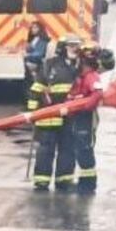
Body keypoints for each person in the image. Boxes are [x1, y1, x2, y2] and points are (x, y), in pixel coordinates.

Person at [27, 35, 80, 192]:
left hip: (70, 117)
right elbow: (37, 88)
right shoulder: (49, 65)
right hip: (48, 116)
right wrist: (32, 112)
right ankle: (41, 181)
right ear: (62, 48)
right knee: (46, 149)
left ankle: (64, 180)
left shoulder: (81, 66)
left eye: (76, 45)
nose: (75, 49)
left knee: (68, 149)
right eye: (71, 45)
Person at [66, 44, 105, 194]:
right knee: (80, 149)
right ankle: (84, 181)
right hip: (80, 117)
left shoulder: (91, 76)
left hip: (86, 118)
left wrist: (85, 107)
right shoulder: (83, 77)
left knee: (85, 149)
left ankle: (88, 184)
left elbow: (98, 93)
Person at [24, 21, 49, 94]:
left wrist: (27, 56)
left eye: (35, 28)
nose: (33, 29)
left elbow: (39, 54)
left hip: (37, 65)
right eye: (32, 28)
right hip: (31, 63)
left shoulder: (42, 40)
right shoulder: (35, 39)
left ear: (40, 29)